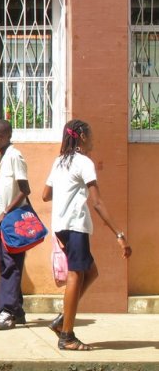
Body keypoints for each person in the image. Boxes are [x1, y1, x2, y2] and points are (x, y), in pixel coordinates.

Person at [42, 120, 132, 351]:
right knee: (76, 275)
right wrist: (119, 234)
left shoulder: (59, 161)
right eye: (90, 134)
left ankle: (64, 320)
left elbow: (45, 194)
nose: (93, 138)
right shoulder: (84, 162)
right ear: (81, 136)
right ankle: (67, 336)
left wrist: (65, 192)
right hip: (75, 225)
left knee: (90, 272)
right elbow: (98, 203)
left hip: (61, 225)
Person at [0, 120, 30, 330]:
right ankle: (18, 310)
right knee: (5, 265)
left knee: (11, 265)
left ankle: (7, 312)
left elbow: (24, 189)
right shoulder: (0, 157)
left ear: (8, 135)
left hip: (12, 220)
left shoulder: (15, 156)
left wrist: (5, 213)